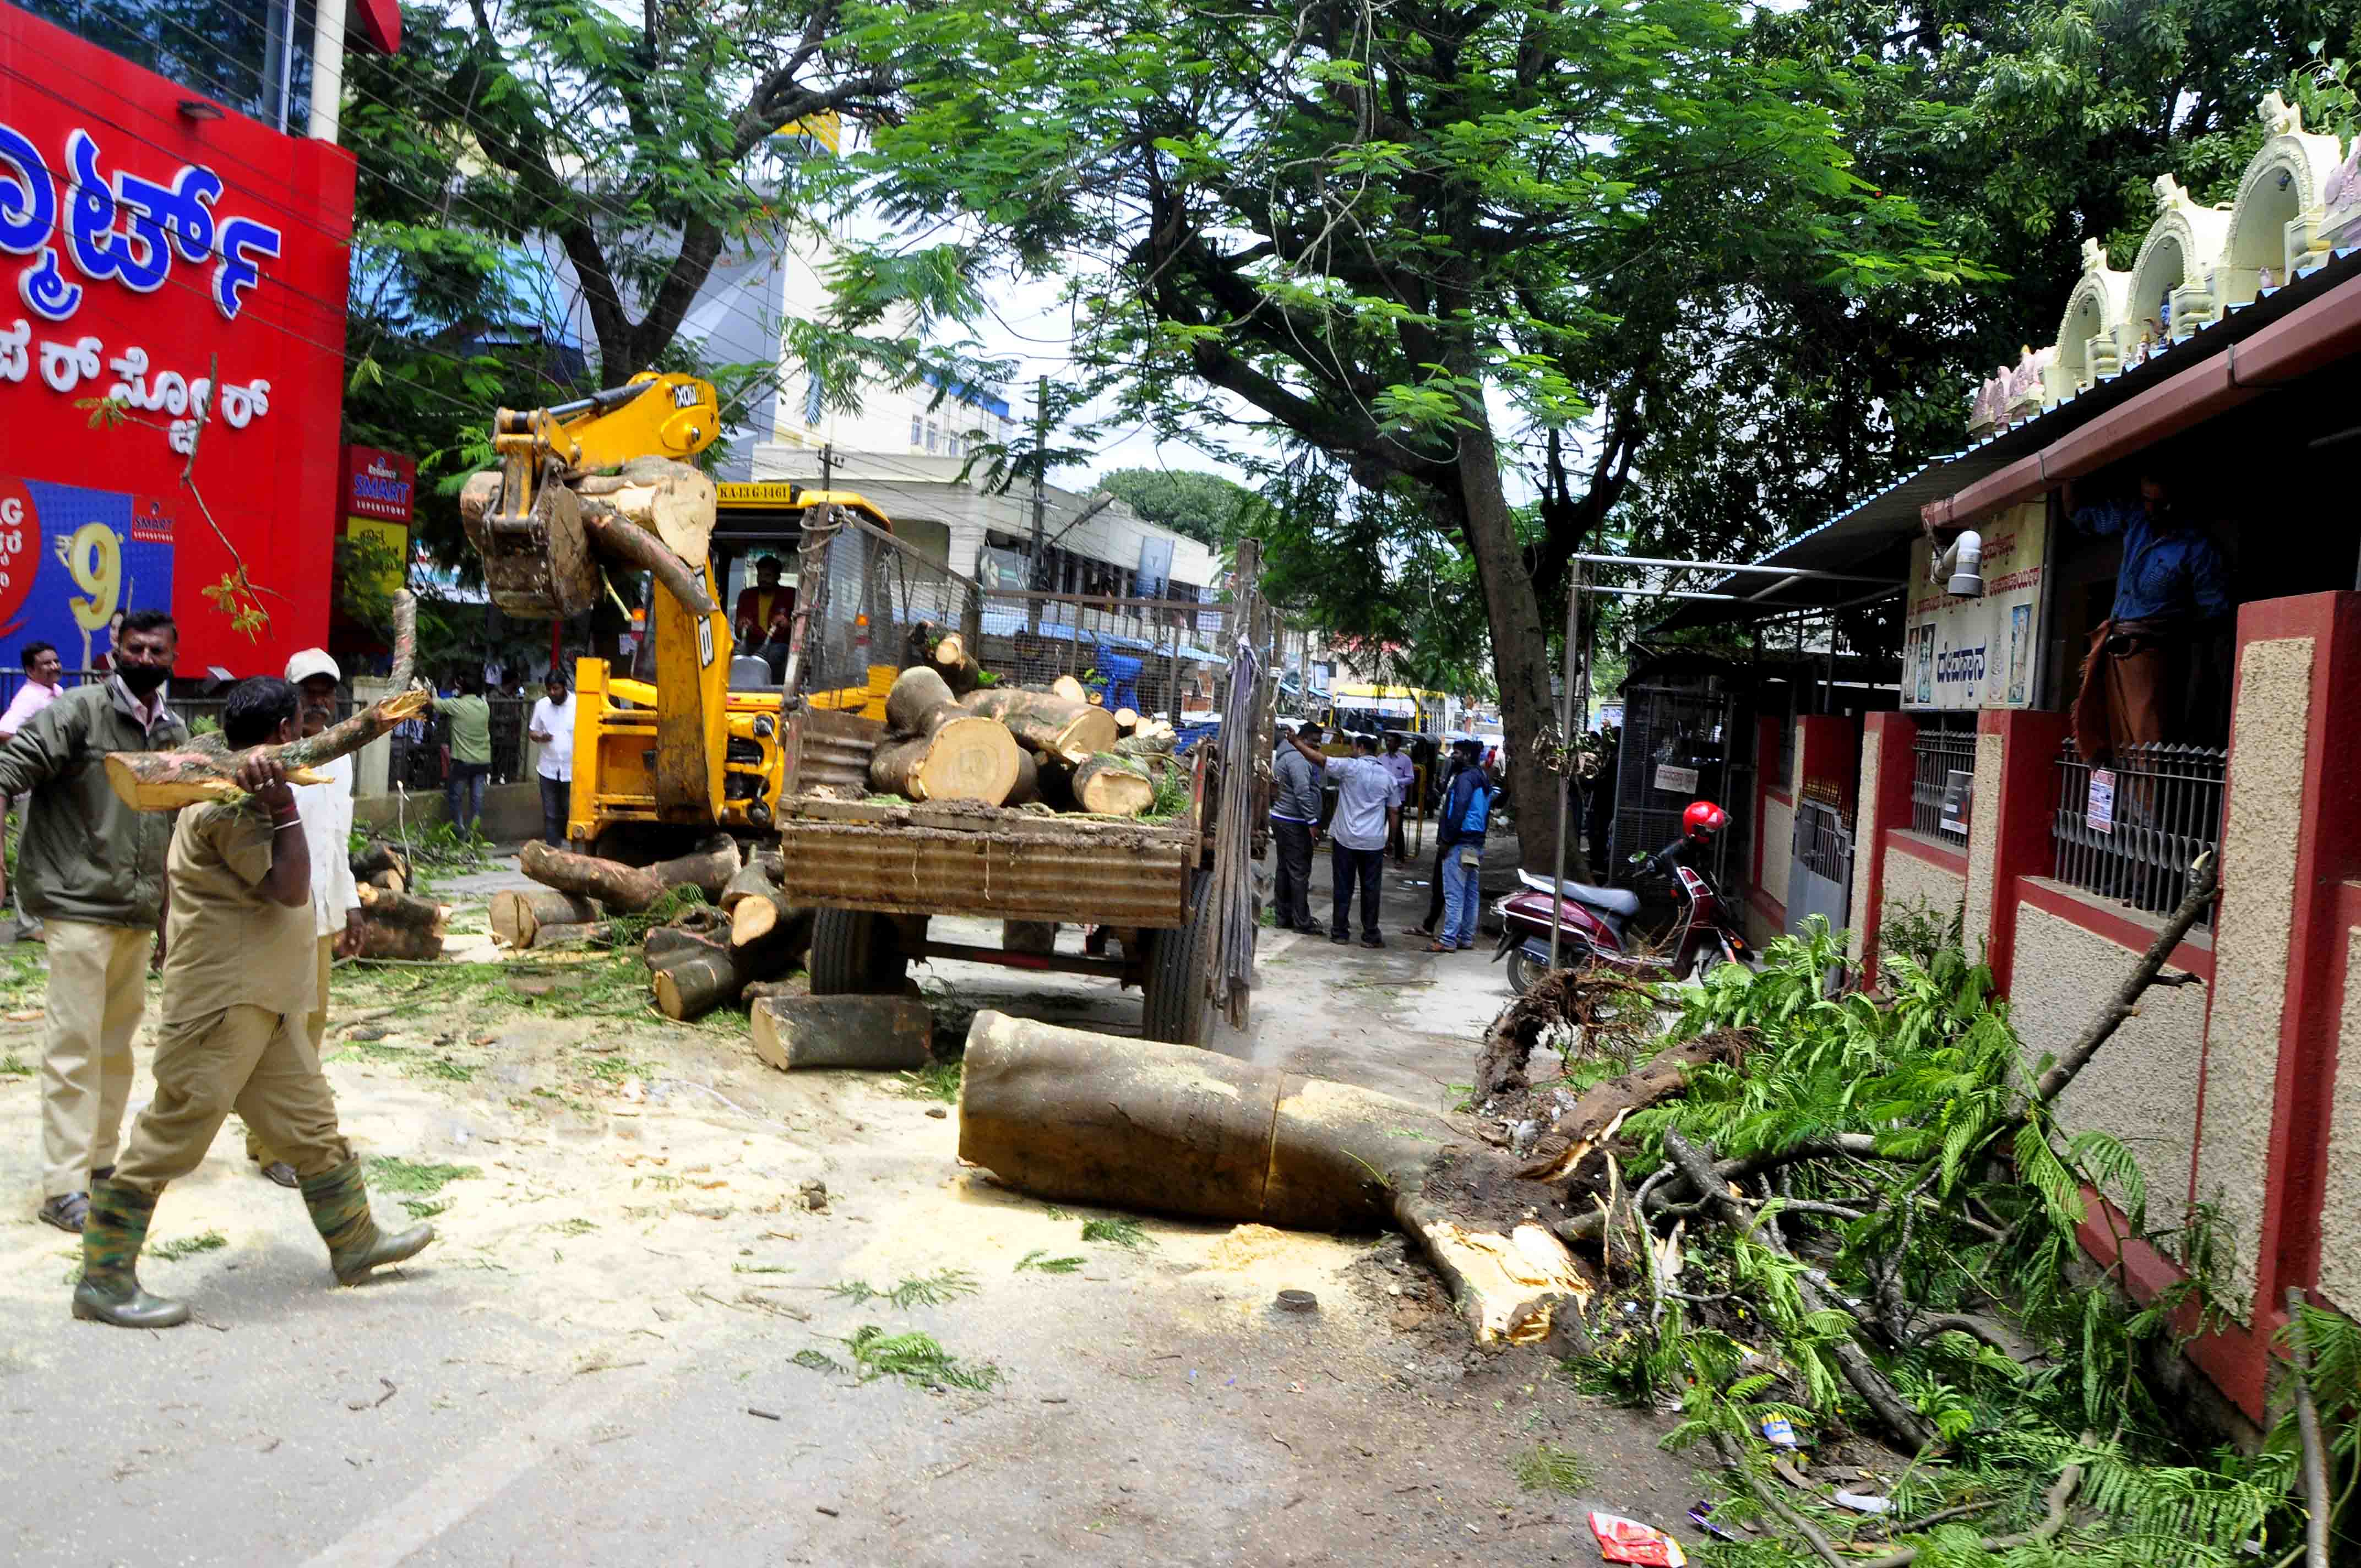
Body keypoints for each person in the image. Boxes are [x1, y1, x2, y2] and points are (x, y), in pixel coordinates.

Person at [73, 678, 435, 1329]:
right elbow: (290, 889)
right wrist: (283, 807)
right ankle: (102, 1278)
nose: (305, 733)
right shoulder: (228, 807)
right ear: (281, 734)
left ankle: (354, 1241)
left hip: (263, 1003)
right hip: (222, 1004)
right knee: (172, 1134)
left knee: (311, 1128)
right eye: (297, 723)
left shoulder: (238, 779)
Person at [0, 611, 186, 1231]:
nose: (145, 658)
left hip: (136, 911)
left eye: (157, 649)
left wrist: (167, 915)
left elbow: (169, 830)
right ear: (116, 651)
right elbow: (9, 770)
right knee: (73, 1048)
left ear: (172, 657)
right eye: (135, 647)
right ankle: (61, 1187)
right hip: (76, 905)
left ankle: (100, 1165)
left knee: (116, 1048)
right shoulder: (77, 711)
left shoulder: (173, 732)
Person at [239, 650, 367, 1190]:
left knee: (311, 1025)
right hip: (275, 914)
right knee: (277, 1031)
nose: (319, 700)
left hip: (319, 910)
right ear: (290, 699)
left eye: (326, 690)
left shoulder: (339, 757)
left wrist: (351, 906)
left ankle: (280, 1136)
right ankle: (272, 1146)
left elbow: (337, 840)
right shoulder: (269, 760)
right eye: (308, 691)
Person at [2060, 471, 2232, 760]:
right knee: (2106, 736)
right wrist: (2066, 474)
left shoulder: (2197, 549)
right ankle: (2114, 801)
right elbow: (2081, 517)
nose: (2152, 509)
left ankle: (2147, 803)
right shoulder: (2137, 519)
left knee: (2147, 740)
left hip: (2154, 651)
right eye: (2146, 500)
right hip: (2115, 642)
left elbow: (2216, 615)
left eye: (2161, 503)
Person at [1290, 729, 1400, 948]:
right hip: (1373, 842)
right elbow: (1394, 812)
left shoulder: (1350, 767)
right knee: (1371, 889)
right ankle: (1370, 934)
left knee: (1343, 886)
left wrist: (1296, 743)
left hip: (1346, 839)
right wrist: (1391, 841)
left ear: (1359, 749)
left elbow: (1320, 759)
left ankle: (1340, 932)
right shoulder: (1388, 777)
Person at [0, 640, 67, 942]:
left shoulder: (58, 694)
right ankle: (27, 924)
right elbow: (5, 729)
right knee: (30, 852)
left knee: (53, 851)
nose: (54, 667)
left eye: (56, 661)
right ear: (30, 670)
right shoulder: (29, 698)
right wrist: (35, 753)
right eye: (46, 663)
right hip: (30, 786)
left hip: (52, 788)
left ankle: (46, 918)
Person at [1430, 742, 1498, 953]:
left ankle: (1449, 939)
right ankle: (1466, 937)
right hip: (1475, 843)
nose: (1453, 756)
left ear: (1467, 756)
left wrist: (1447, 841)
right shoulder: (1481, 778)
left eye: (1457, 753)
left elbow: (1458, 809)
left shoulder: (1465, 779)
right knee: (1470, 892)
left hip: (1459, 842)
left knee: (1454, 893)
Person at [1268, 721, 1325, 935]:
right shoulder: (1299, 760)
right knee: (1299, 872)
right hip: (1294, 821)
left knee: (1285, 869)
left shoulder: (1288, 756)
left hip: (1284, 819)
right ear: (1302, 739)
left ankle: (1284, 917)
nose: (1318, 746)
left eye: (1320, 743)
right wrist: (1312, 823)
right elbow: (1302, 792)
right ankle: (1302, 921)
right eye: (1314, 741)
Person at [440, 671, 493, 836]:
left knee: (456, 796)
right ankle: (473, 832)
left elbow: (432, 703)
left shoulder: (455, 705)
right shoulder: (484, 706)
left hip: (463, 761)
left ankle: (460, 831)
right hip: (483, 761)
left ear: (460, 687)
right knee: (477, 799)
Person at [528, 671, 576, 847]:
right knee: (550, 813)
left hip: (572, 770)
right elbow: (532, 731)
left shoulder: (578, 704)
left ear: (564, 687)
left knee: (570, 811)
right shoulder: (542, 706)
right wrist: (540, 736)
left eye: (556, 689)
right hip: (548, 768)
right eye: (549, 689)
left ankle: (574, 849)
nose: (552, 693)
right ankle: (552, 849)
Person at [734, 556, 795, 650]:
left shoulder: (790, 595)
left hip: (778, 645)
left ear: (778, 577)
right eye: (760, 575)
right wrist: (741, 626)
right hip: (752, 644)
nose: (763, 579)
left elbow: (801, 632)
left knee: (776, 652)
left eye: (768, 576)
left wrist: (788, 624)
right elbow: (738, 633)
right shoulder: (746, 595)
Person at [1379, 732, 1417, 864]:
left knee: (1397, 827)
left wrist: (1397, 782)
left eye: (1392, 741)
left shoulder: (1405, 760)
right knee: (1378, 825)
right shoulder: (1381, 758)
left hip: (1398, 798)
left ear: (1398, 744)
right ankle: (1376, 853)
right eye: (1387, 741)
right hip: (1381, 797)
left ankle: (1399, 857)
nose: (1389, 743)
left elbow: (1411, 778)